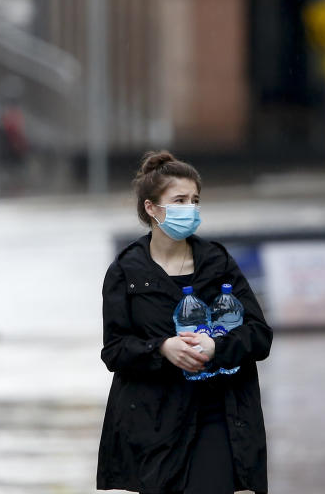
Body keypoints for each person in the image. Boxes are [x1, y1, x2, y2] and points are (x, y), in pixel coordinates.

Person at [96, 151, 273, 494]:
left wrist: (216, 347)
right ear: (152, 208)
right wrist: (162, 348)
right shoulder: (125, 272)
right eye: (179, 200)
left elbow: (259, 335)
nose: (190, 208)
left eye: (195, 200)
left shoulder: (217, 263)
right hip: (154, 422)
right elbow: (115, 351)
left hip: (216, 413)